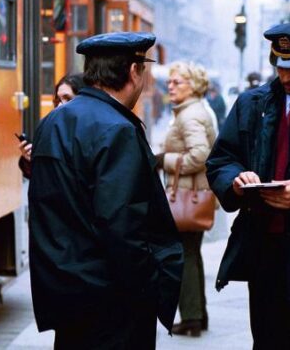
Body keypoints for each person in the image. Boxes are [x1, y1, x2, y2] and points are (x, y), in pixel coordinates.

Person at [27, 31, 183, 349]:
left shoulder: (52, 122)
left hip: (66, 294)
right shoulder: (118, 130)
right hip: (113, 301)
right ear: (132, 71)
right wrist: (149, 286)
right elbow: (124, 228)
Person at [205, 22, 290, 349]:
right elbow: (220, 159)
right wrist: (235, 181)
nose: (286, 77)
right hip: (264, 243)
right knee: (266, 335)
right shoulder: (253, 103)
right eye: (280, 67)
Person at [155, 61, 216, 337]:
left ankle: (191, 317)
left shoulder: (189, 115)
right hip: (194, 195)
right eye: (170, 82)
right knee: (191, 253)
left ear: (193, 86)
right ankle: (198, 315)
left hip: (187, 198)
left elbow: (200, 155)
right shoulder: (191, 111)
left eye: (177, 82)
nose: (170, 86)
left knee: (184, 256)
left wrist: (164, 160)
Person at [17, 73, 84, 178]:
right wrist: (32, 160)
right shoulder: (49, 130)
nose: (61, 105)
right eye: (58, 100)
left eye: (68, 99)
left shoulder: (94, 132)